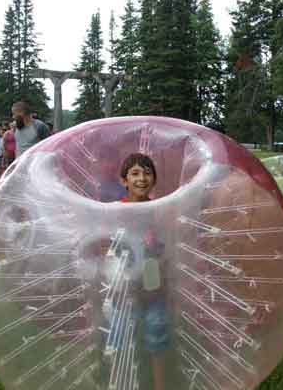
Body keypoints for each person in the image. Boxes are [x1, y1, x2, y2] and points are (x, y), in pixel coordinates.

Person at [118, 153, 168, 390]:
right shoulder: (117, 210)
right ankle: (123, 381)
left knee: (156, 332)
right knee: (121, 339)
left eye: (147, 172)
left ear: (154, 178)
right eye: (135, 173)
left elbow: (165, 245)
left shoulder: (160, 209)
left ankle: (159, 384)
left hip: (154, 284)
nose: (142, 178)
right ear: (124, 181)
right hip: (125, 286)